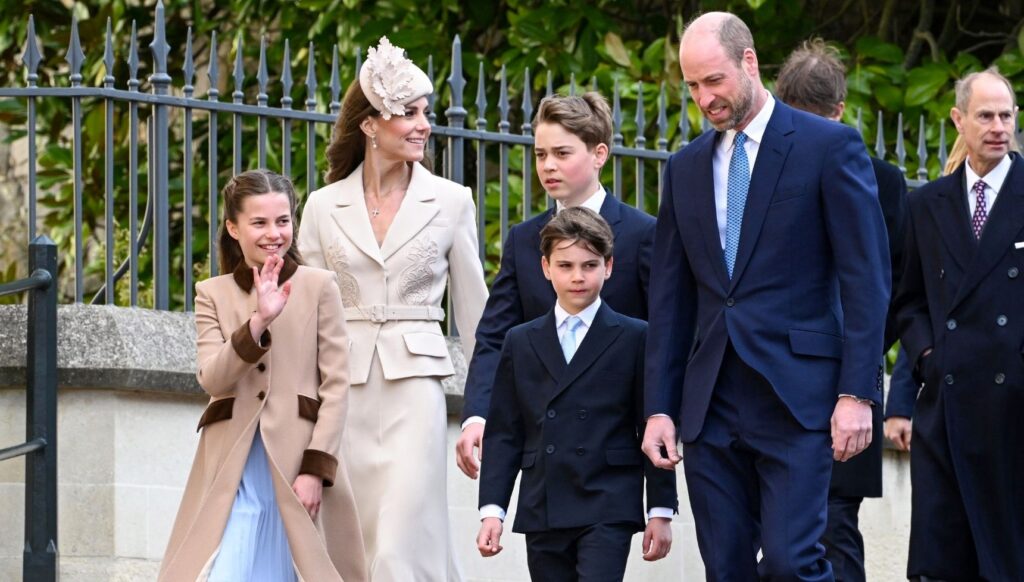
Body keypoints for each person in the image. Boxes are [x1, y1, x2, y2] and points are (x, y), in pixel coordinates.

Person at [642, 12, 889, 581]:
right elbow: (670, 301)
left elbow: (866, 278)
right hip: (710, 404)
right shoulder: (684, 169)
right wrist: (660, 406)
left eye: (715, 80)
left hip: (798, 398)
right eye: (693, 86)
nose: (705, 98)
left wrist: (858, 392)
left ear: (749, 63)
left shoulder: (829, 147)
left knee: (791, 561)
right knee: (726, 569)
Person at [297, 37, 488, 581]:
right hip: (343, 393)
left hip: (416, 392)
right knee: (353, 538)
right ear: (370, 125)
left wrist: (484, 409)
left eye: (425, 111)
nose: (424, 123)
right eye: (408, 113)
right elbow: (305, 315)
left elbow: (477, 318)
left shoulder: (453, 201)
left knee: (404, 536)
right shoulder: (321, 206)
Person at [159, 169, 366, 582]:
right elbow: (213, 379)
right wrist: (257, 322)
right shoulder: (211, 293)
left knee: (293, 568)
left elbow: (337, 386)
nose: (274, 233)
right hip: (230, 462)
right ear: (233, 228)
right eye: (259, 222)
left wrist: (315, 469)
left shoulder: (320, 286)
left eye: (283, 220)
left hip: (297, 458)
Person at [455, 92, 656, 479]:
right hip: (543, 446)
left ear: (599, 154)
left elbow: (663, 334)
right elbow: (496, 337)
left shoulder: (645, 234)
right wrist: (477, 414)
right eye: (540, 154)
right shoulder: (523, 239)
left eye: (562, 154)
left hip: (618, 444)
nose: (548, 166)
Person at [774, 38, 912, 582]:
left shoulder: (884, 182)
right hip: (782, 382)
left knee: (834, 532)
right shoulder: (754, 173)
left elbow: (893, 289)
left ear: (837, 114)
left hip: (845, 387)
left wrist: (854, 362)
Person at [475, 207, 677, 578]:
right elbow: (505, 432)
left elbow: (653, 425)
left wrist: (661, 510)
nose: (578, 277)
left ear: (609, 266)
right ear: (545, 268)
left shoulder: (636, 336)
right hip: (544, 500)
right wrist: (492, 510)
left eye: (589, 265)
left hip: (608, 499)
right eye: (565, 266)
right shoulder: (519, 341)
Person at [893, 67, 1024, 581]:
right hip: (945, 414)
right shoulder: (927, 204)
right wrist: (929, 357)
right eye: (985, 115)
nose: (998, 126)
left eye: (1006, 115)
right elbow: (909, 300)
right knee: (944, 563)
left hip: (1014, 414)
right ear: (958, 120)